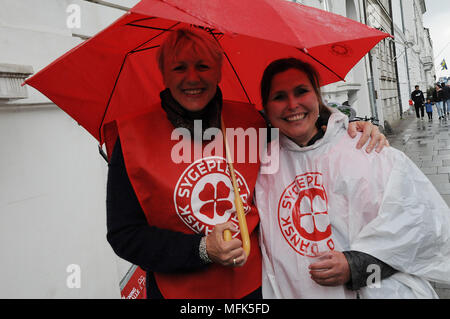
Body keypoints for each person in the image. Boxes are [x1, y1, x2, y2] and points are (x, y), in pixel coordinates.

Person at [105, 27, 387, 299]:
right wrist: (201, 249)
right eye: (179, 68)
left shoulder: (251, 122)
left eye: (203, 66)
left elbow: (302, 133)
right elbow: (124, 234)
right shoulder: (131, 139)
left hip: (257, 287)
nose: (192, 78)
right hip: (177, 293)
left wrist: (348, 128)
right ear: (164, 73)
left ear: (218, 70)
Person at [255, 58, 450, 298]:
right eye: (279, 97)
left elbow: (425, 230)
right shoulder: (261, 166)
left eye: (301, 91)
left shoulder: (367, 150)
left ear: (317, 96)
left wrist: (357, 266)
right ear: (265, 106)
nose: (292, 104)